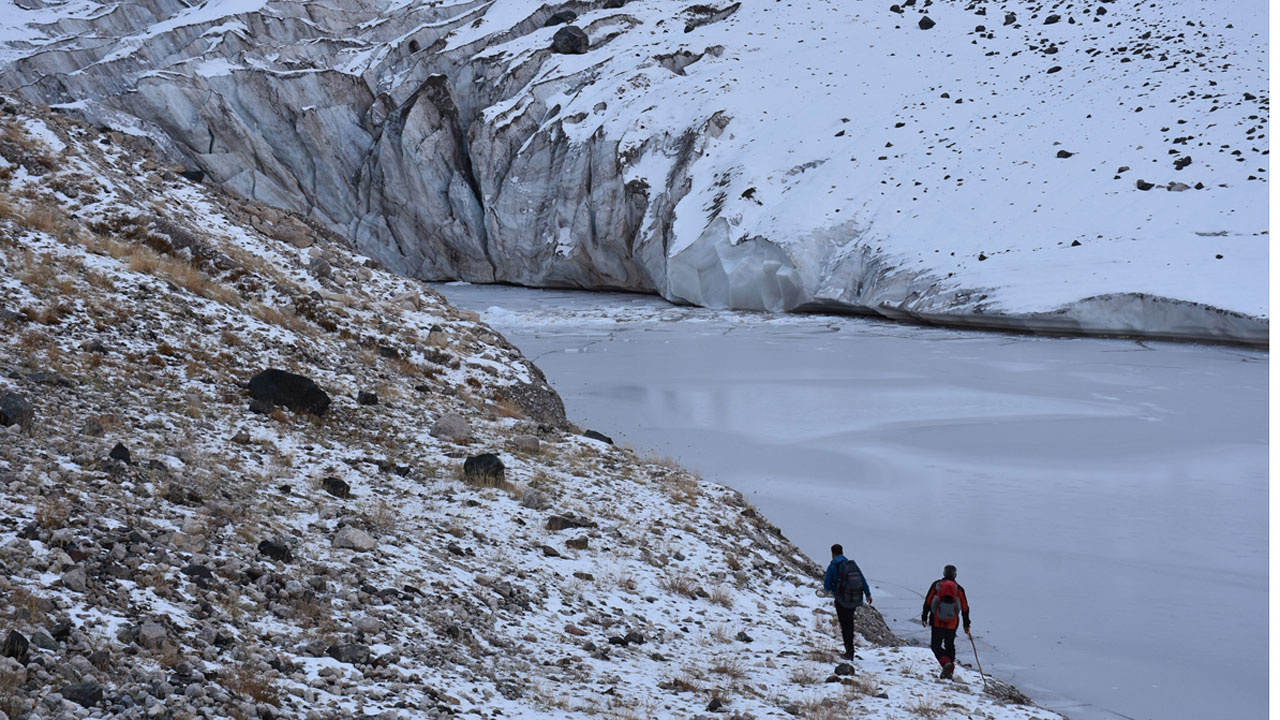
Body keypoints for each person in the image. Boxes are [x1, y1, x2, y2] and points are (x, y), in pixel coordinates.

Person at [822, 543, 873, 660]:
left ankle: (849, 652)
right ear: (842, 552)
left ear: (832, 553)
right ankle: (851, 650)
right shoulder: (852, 565)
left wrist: (829, 590)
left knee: (845, 626)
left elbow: (827, 586)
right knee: (850, 624)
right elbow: (862, 579)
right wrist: (868, 594)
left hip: (841, 601)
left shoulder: (833, 566)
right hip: (854, 600)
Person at [921, 564, 971, 679]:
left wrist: (924, 617)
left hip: (937, 621)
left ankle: (946, 664)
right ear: (955, 575)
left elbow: (928, 601)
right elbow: (965, 608)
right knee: (950, 645)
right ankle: (949, 670)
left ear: (944, 573)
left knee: (935, 646)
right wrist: (966, 624)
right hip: (952, 622)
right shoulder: (959, 589)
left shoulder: (937, 585)